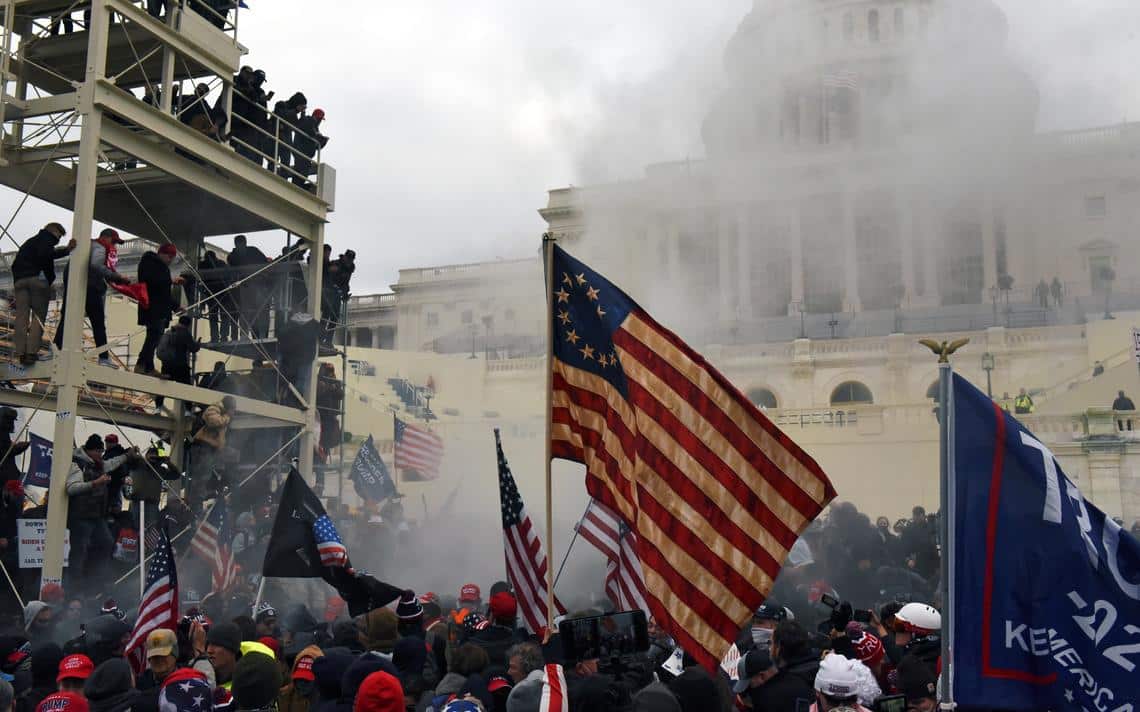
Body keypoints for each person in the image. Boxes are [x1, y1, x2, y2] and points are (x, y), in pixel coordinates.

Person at [64, 435, 135, 597]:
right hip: (81, 516)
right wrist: (96, 483)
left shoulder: (98, 464)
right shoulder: (78, 465)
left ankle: (96, 579)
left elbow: (112, 463)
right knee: (78, 552)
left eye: (102, 450)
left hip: (96, 516)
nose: (101, 454)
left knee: (106, 543)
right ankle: (74, 589)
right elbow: (71, 488)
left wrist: (126, 456)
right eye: (98, 451)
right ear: (89, 450)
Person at [55, 229, 131, 368]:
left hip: (74, 285)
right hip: (91, 287)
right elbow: (96, 265)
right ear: (105, 237)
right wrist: (117, 277)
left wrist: (70, 284)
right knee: (98, 323)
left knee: (66, 318)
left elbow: (68, 269)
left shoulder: (86, 246)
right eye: (113, 241)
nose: (114, 246)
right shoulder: (100, 247)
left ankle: (54, 350)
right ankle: (103, 357)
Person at [11, 222, 76, 364]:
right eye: (58, 236)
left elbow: (14, 265)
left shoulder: (29, 242)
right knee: (38, 317)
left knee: (21, 316)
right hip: (37, 281)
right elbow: (46, 254)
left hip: (20, 282)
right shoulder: (46, 240)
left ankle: (20, 352)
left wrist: (18, 280)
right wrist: (67, 250)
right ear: (54, 232)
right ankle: (31, 353)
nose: (57, 240)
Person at [136, 243, 184, 376]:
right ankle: (142, 364)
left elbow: (164, 293)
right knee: (153, 337)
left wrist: (175, 306)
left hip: (159, 308)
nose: (170, 260)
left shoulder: (161, 267)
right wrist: (171, 281)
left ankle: (148, 366)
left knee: (155, 337)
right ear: (161, 253)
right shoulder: (149, 263)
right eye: (169, 257)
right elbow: (151, 281)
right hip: (152, 308)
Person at [748, 621, 817, 712]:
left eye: (771, 643)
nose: (769, 648)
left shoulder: (771, 694)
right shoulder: (819, 673)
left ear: (778, 647)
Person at [227, 235, 270, 339]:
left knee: (259, 310)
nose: (240, 246)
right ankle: (245, 335)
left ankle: (261, 336)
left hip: (257, 284)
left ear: (244, 243)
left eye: (241, 244)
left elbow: (264, 263)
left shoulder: (253, 251)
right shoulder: (233, 256)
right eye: (238, 244)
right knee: (247, 311)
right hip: (245, 286)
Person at [155, 316, 201, 409]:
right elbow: (193, 348)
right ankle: (188, 410)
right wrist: (198, 343)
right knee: (186, 388)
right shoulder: (185, 334)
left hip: (167, 364)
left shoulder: (169, 332)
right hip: (181, 365)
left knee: (163, 387)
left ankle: (158, 407)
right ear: (188, 325)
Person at [271, 93, 307, 178]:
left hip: (286, 139)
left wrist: (302, 115)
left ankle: (284, 179)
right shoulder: (281, 104)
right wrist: (295, 111)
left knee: (286, 162)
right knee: (272, 160)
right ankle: (270, 176)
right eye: (302, 106)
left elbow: (298, 126)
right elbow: (282, 115)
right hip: (276, 135)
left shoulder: (294, 113)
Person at [198, 250, 231, 342]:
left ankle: (214, 337)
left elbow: (201, 282)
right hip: (223, 292)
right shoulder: (221, 263)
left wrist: (202, 302)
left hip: (211, 293)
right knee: (224, 316)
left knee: (213, 316)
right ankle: (223, 336)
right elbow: (229, 277)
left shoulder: (202, 265)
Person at [290, 109, 328, 189]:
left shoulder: (314, 126)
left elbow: (318, 146)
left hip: (306, 153)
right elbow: (309, 131)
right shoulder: (309, 120)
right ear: (315, 117)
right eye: (319, 119)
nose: (320, 121)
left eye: (321, 119)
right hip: (300, 150)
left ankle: (297, 185)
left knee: (303, 171)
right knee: (301, 170)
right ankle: (296, 186)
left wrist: (323, 141)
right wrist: (317, 135)